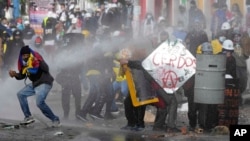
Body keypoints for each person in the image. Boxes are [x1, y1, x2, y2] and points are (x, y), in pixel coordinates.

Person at [8, 45, 60, 127]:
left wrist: (39, 61)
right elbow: (22, 76)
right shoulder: (24, 63)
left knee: (39, 103)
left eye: (26, 55)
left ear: (29, 54)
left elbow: (46, 69)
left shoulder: (36, 58)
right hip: (35, 83)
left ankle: (55, 119)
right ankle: (28, 117)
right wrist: (15, 75)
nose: (25, 57)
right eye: (23, 55)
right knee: (21, 94)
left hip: (44, 82)